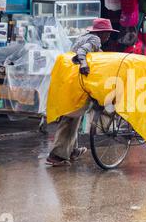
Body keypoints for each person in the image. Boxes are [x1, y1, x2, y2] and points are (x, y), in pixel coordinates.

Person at [46, 18, 118, 167]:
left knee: (74, 116)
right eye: (108, 33)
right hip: (78, 83)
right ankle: (57, 155)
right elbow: (81, 52)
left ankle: (72, 151)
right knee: (71, 117)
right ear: (102, 32)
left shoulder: (83, 37)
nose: (109, 37)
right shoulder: (95, 39)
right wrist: (84, 64)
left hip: (71, 82)